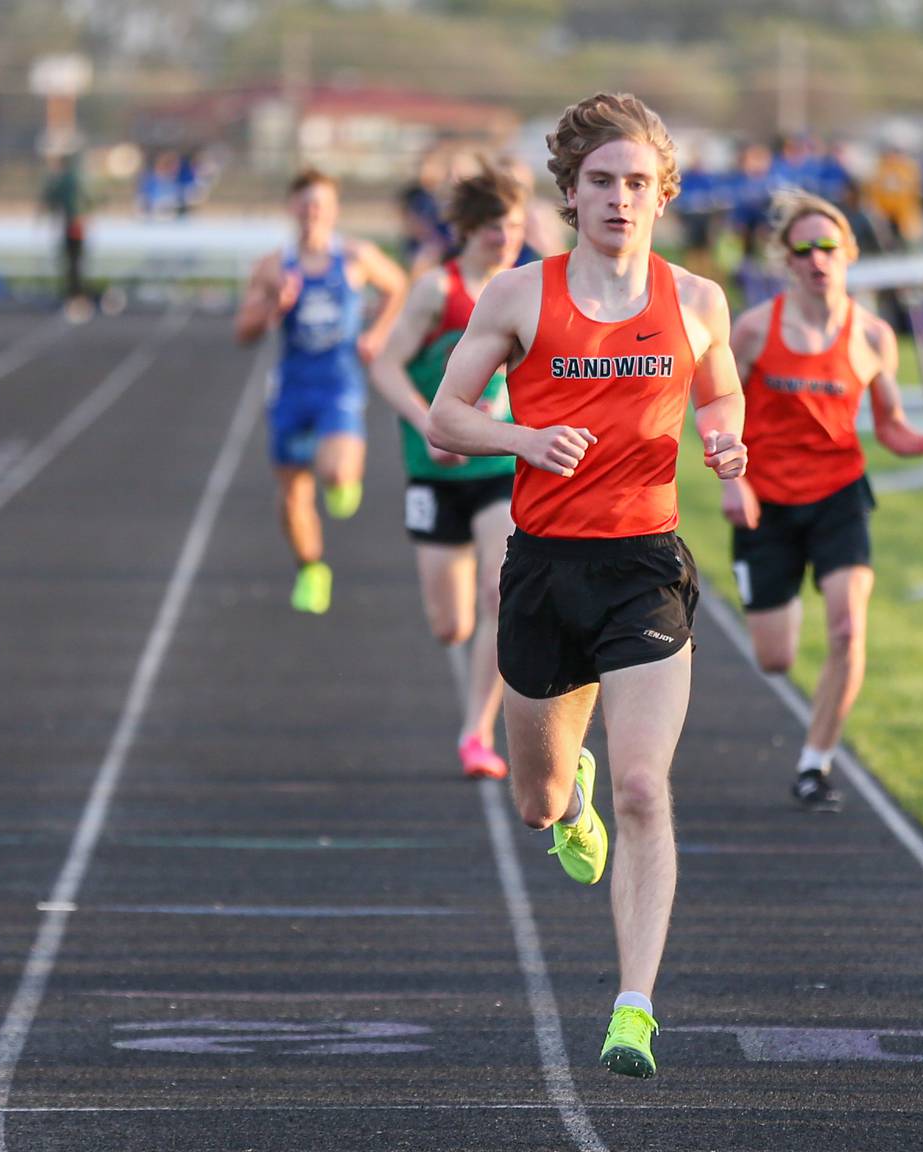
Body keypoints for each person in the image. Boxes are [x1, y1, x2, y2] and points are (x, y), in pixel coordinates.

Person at [427, 91, 747, 1079]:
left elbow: (722, 382)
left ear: (662, 195)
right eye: (601, 181)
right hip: (543, 569)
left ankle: (634, 1007)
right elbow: (445, 417)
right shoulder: (520, 296)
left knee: (649, 786)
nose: (619, 198)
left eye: (637, 183)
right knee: (537, 800)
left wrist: (721, 430)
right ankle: (574, 804)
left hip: (644, 567)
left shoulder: (696, 300)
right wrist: (524, 436)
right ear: (570, 193)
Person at [723, 192, 923, 813]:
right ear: (786, 260)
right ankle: (785, 610)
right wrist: (732, 480)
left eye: (828, 246)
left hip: (838, 498)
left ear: (848, 254)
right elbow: (717, 412)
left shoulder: (874, 336)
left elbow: (892, 426)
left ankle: (814, 764)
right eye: (803, 248)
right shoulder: (753, 330)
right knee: (776, 659)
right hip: (766, 502)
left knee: (849, 630)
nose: (816, 258)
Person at [368, 162, 527, 780]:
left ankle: (476, 735)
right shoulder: (439, 290)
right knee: (450, 624)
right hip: (433, 474)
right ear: (468, 228)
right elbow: (385, 365)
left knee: (498, 592)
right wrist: (428, 423)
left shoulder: (522, 290)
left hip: (495, 470)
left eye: (514, 226)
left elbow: (530, 376)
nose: (506, 238)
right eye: (494, 227)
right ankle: (475, 720)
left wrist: (503, 411)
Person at [234, 168, 407, 615]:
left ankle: (340, 479)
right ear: (292, 209)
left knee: (336, 471)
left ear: (332, 211)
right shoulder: (273, 267)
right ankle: (311, 569)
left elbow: (397, 286)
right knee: (292, 493)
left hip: (339, 384)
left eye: (321, 205)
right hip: (292, 389)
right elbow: (244, 330)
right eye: (305, 204)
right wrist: (276, 305)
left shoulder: (355, 257)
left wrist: (377, 333)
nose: (312, 212)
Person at [40, 150, 91, 322]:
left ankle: (76, 299)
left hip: (73, 227)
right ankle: (76, 298)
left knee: (73, 265)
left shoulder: (66, 180)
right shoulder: (74, 179)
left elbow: (51, 198)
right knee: (74, 265)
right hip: (74, 226)